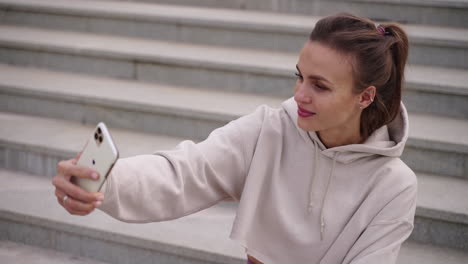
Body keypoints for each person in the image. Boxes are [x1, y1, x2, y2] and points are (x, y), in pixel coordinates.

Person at [52, 13, 417, 264]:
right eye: (300, 76)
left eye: (319, 85)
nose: (299, 95)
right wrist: (106, 183)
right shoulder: (269, 130)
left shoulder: (393, 186)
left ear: (365, 96)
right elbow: (185, 171)